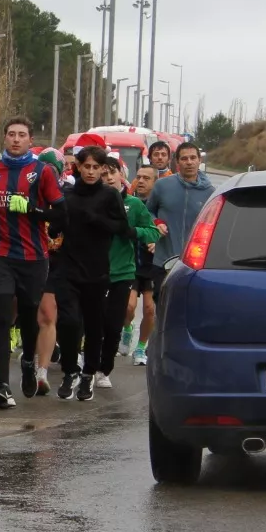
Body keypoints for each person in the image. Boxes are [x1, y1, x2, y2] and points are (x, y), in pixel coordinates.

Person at [0, 117, 65, 409]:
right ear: (4, 138)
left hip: (32, 257)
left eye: (22, 135)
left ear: (30, 141)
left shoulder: (42, 172)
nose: (16, 139)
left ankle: (28, 360)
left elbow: (60, 215)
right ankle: (2, 385)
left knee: (28, 318)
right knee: (1, 318)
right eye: (11, 134)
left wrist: (33, 208)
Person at [48, 146, 129, 401]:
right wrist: (53, 223)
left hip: (97, 272)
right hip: (68, 268)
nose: (91, 172)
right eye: (87, 167)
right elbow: (55, 226)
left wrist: (98, 220)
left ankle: (88, 374)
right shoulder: (68, 195)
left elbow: (122, 228)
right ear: (78, 167)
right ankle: (70, 370)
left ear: (103, 168)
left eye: (96, 167)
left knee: (95, 326)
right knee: (69, 322)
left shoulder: (109, 196)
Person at [99, 158, 160, 388]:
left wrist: (131, 231)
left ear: (121, 175)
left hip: (123, 271)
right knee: (92, 321)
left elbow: (152, 232)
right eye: (103, 174)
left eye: (112, 172)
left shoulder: (133, 204)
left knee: (120, 318)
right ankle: (87, 364)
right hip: (92, 270)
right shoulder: (89, 200)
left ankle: (105, 369)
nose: (108, 177)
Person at [147, 143, 213, 263]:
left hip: (193, 264)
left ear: (200, 160)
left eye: (193, 158)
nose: (189, 162)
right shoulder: (162, 185)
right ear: (177, 162)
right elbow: (148, 211)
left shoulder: (210, 192)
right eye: (184, 158)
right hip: (163, 262)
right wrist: (156, 222)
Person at [129, 169, 168, 366]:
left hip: (151, 264)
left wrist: (156, 240)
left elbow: (164, 230)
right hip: (130, 262)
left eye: (147, 178)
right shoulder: (128, 202)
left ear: (155, 182)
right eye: (139, 177)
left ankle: (140, 348)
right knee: (128, 307)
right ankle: (126, 329)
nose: (141, 181)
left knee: (150, 309)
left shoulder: (159, 207)